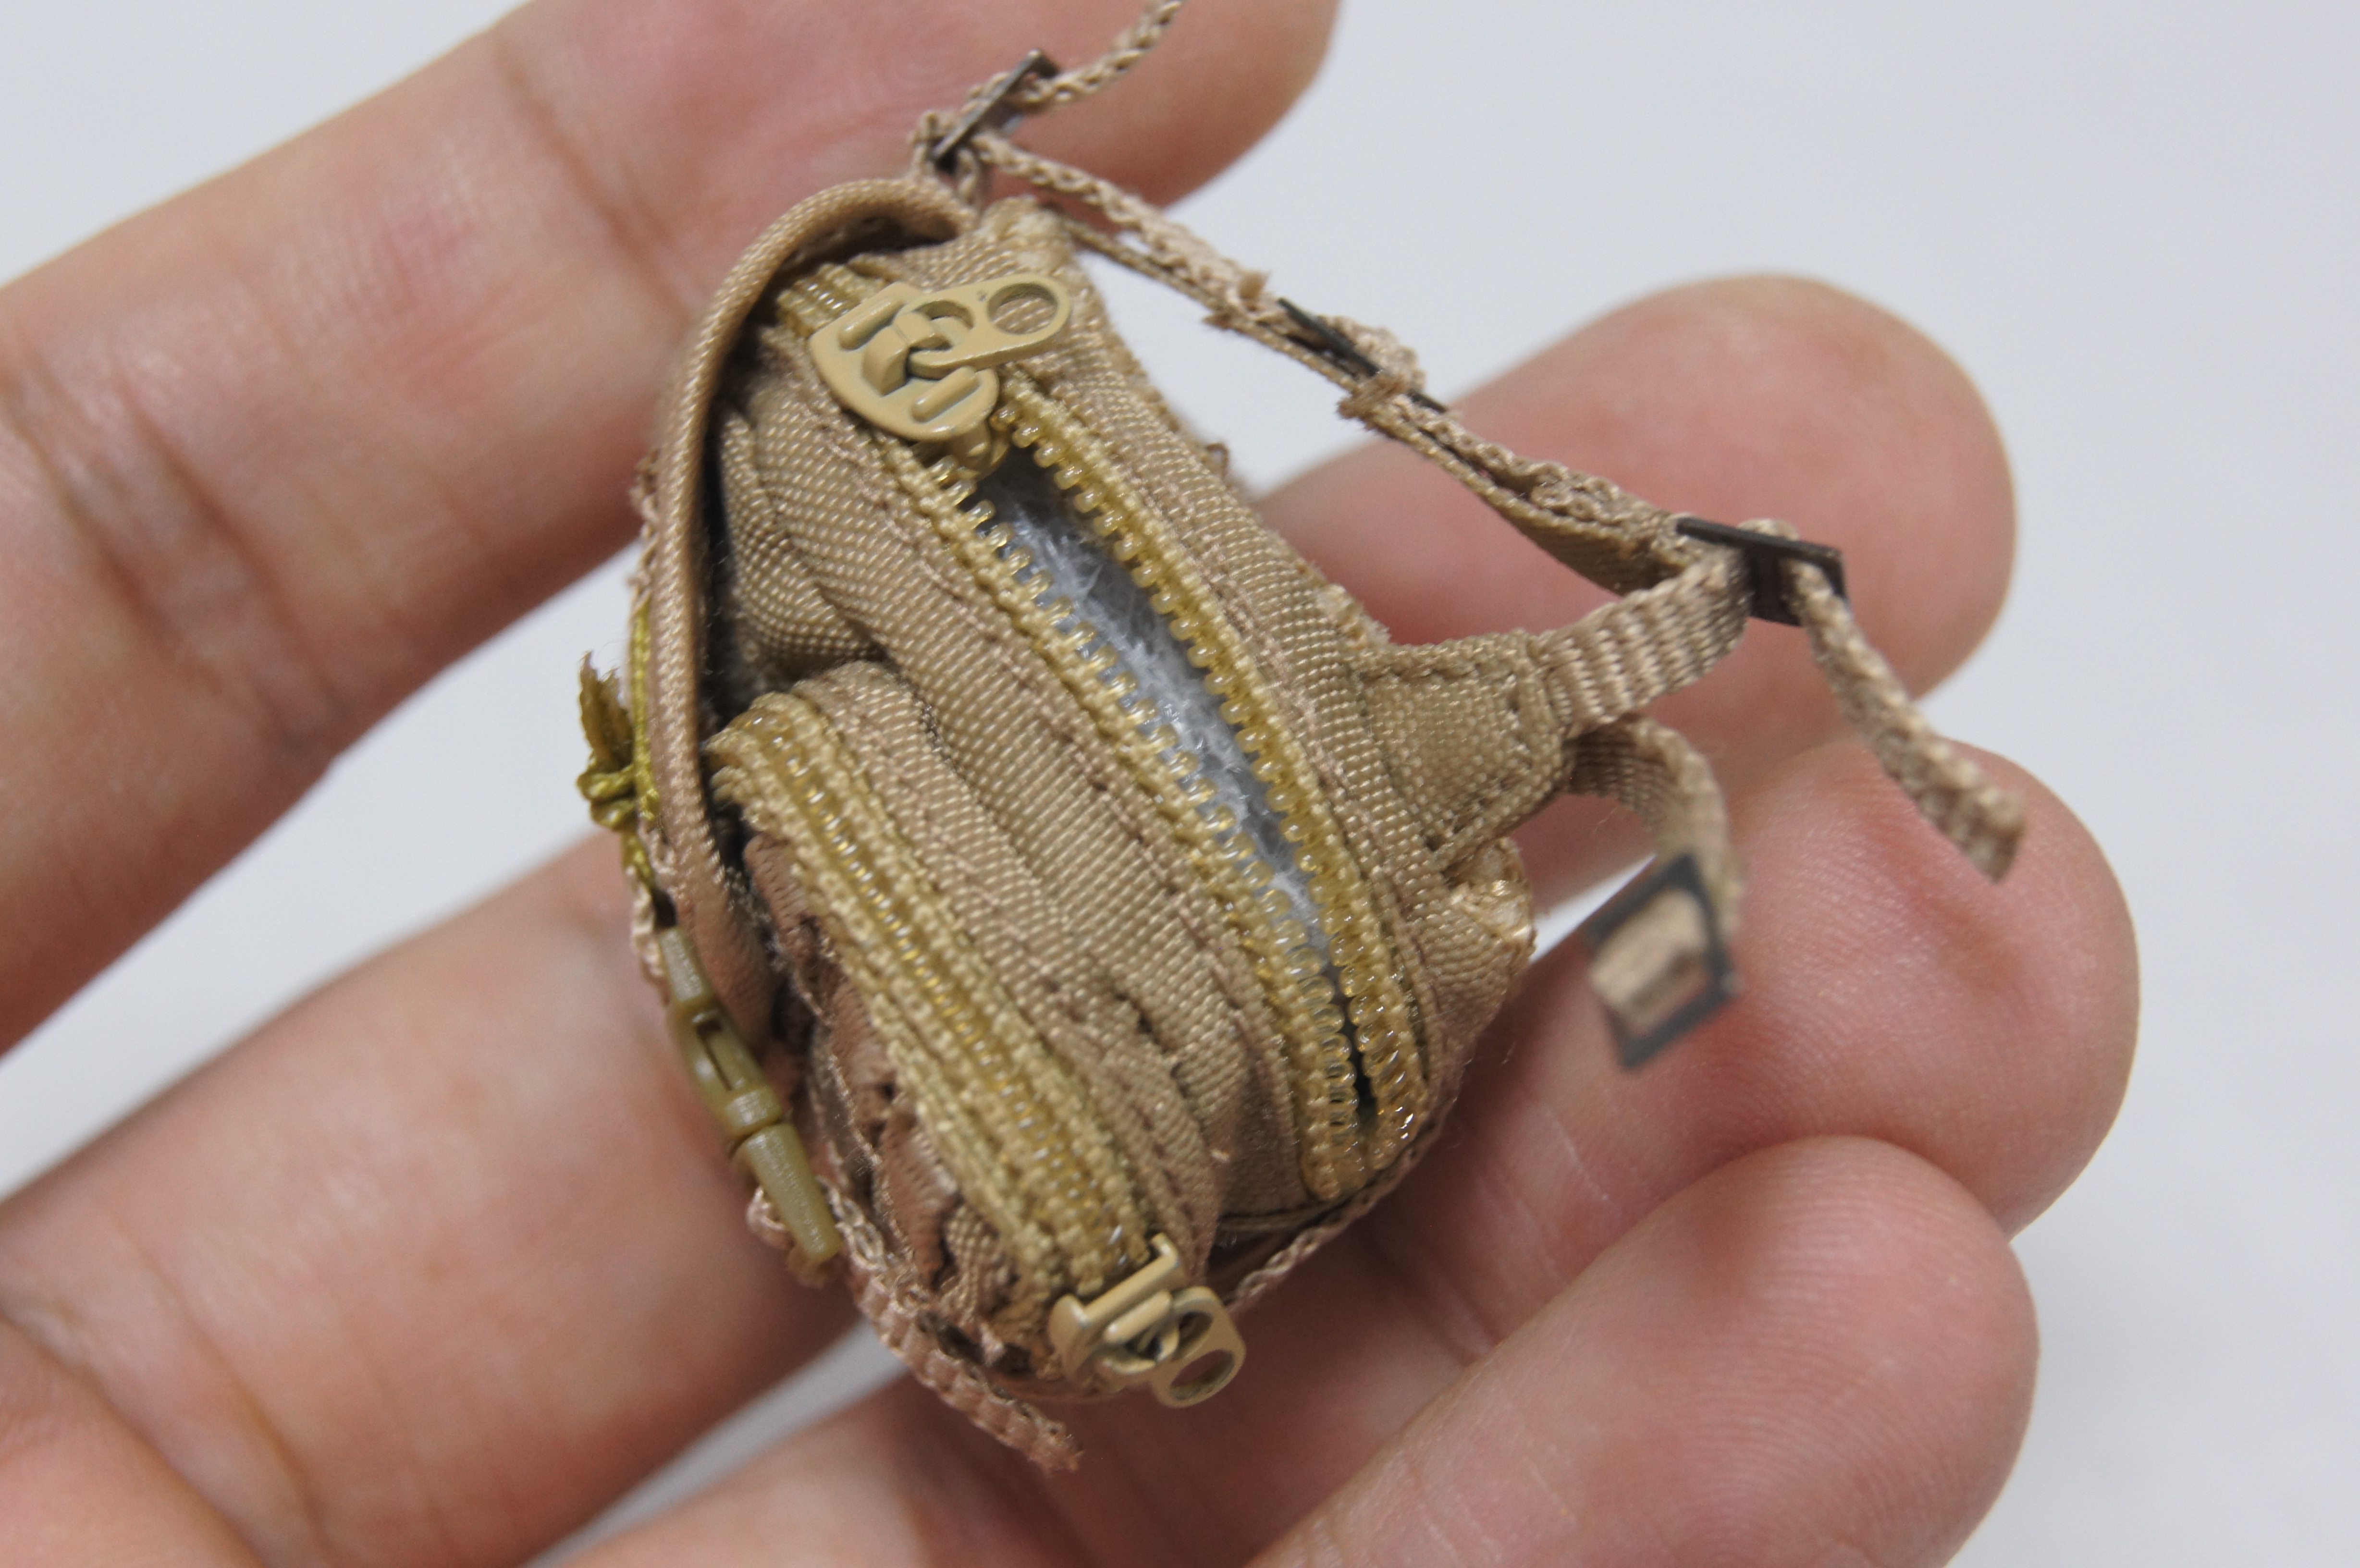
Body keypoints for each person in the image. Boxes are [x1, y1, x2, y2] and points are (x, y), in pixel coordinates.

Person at [0, 2, 2136, 1562]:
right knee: (1643, 771)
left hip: (1163, 1135)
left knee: (1648, 767)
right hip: (1158, 1109)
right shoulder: (914, 324)